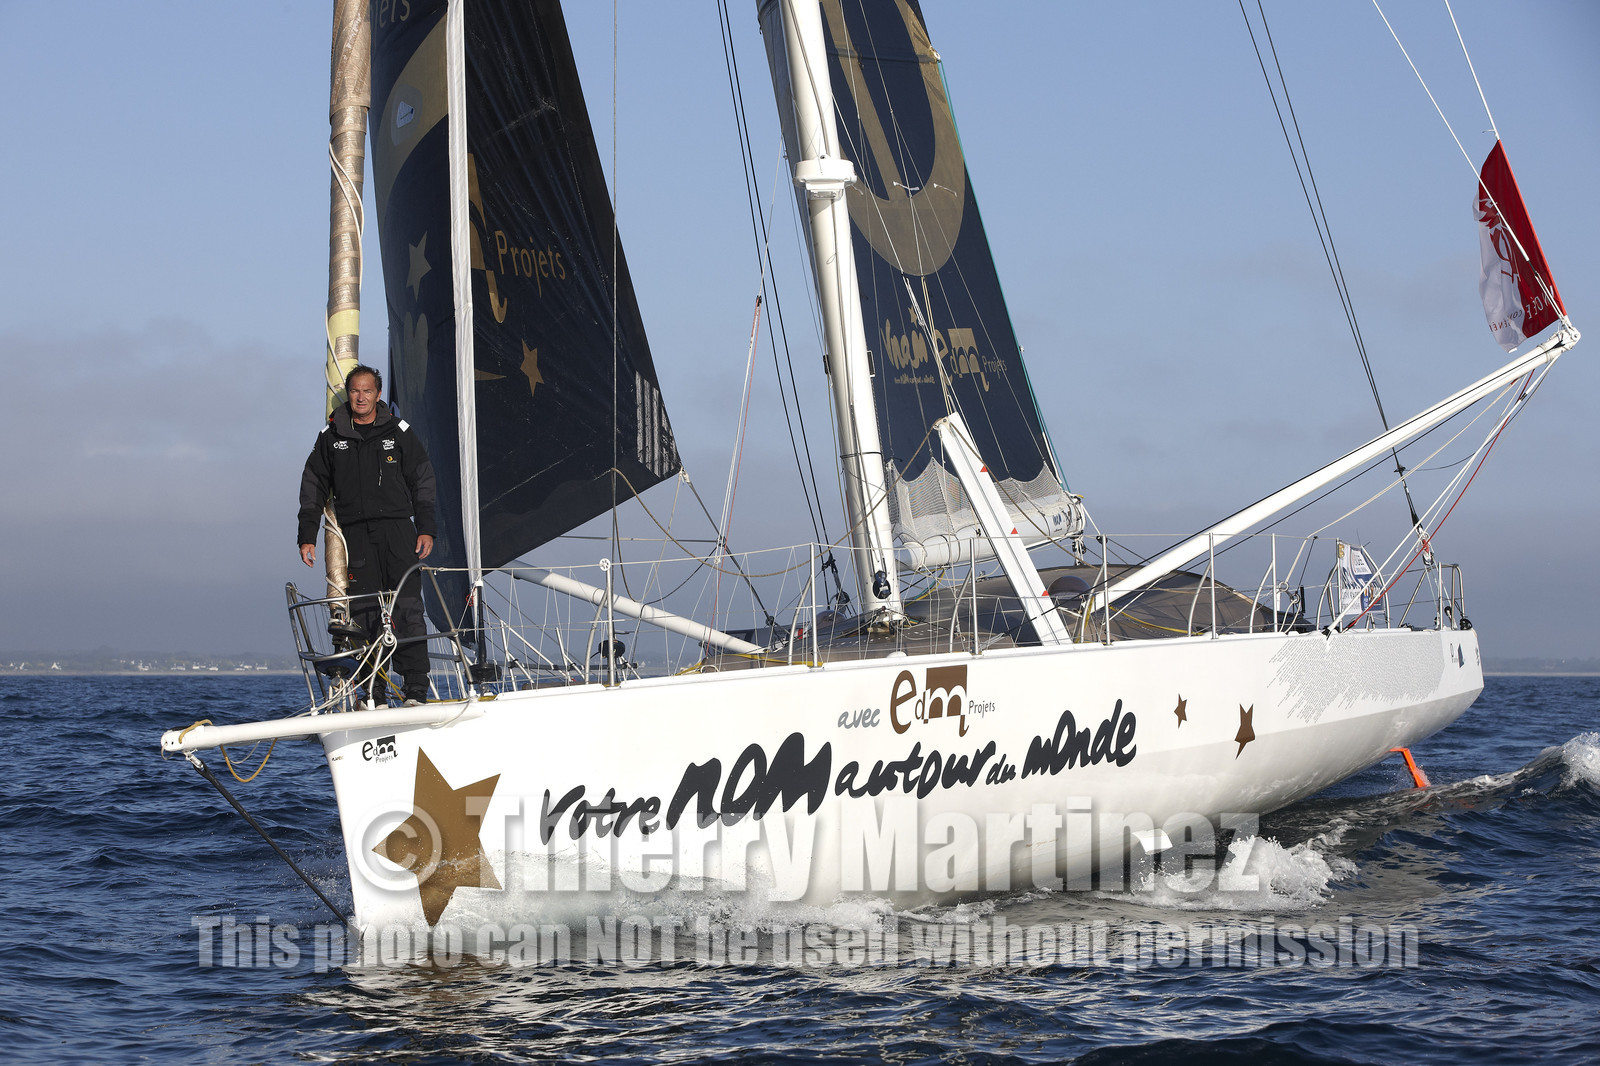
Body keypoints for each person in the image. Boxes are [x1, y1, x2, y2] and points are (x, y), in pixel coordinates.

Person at [297, 365, 437, 705]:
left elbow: (422, 480)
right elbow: (313, 486)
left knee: (407, 607)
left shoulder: (399, 432)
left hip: (398, 531)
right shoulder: (331, 436)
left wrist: (426, 528)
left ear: (378, 394)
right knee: (364, 612)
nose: (361, 397)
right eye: (355, 391)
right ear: (349, 393)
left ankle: (416, 689)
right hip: (356, 535)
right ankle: (374, 691)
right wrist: (307, 535)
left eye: (368, 391)